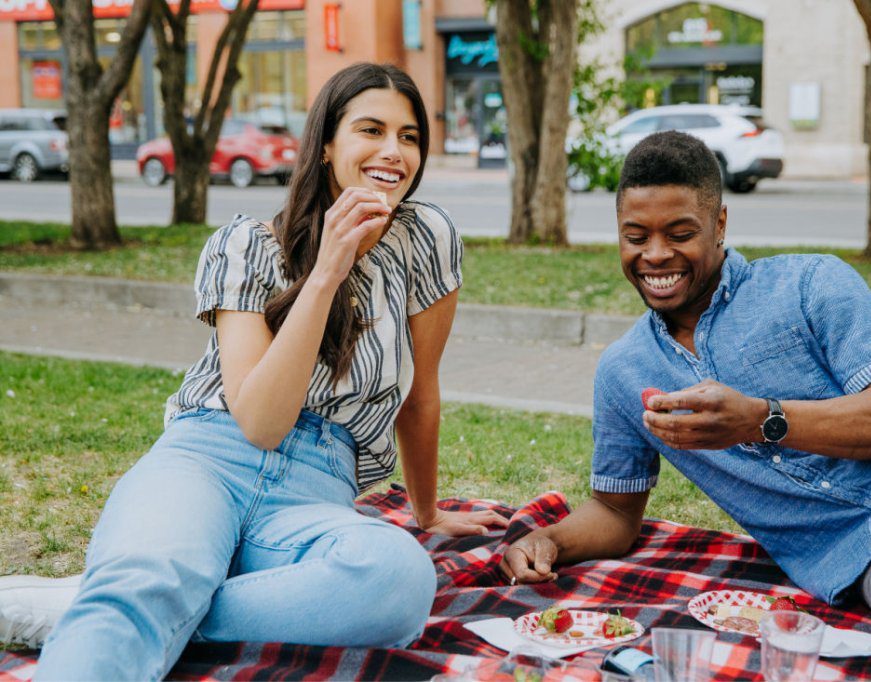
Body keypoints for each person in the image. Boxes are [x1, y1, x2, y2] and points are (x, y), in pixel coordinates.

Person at [0, 62, 506, 680]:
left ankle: (115, 608)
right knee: (148, 575)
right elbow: (262, 421)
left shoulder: (426, 237)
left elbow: (420, 391)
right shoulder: (244, 245)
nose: (393, 152)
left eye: (409, 137)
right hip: (207, 459)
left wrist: (426, 513)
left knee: (397, 579)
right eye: (370, 130)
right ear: (325, 145)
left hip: (315, 490)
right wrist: (326, 271)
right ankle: (134, 600)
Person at [499, 131, 871, 680]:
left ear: (720, 224)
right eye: (635, 236)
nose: (655, 255)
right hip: (867, 550)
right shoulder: (624, 372)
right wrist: (549, 539)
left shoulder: (809, 282)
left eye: (680, 234)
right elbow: (614, 512)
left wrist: (760, 419)